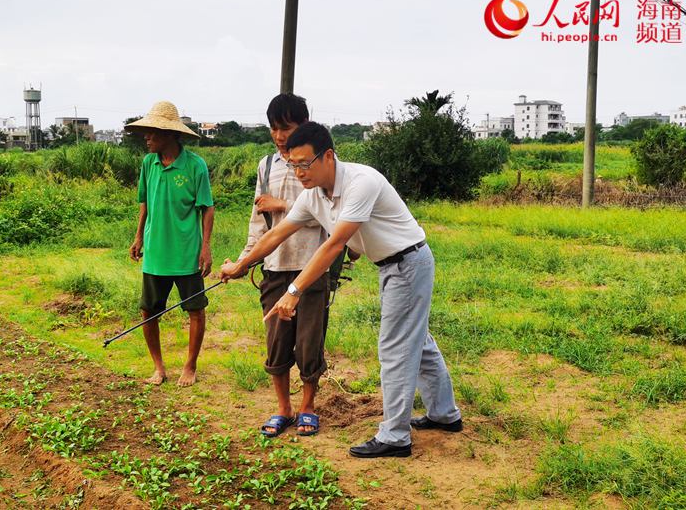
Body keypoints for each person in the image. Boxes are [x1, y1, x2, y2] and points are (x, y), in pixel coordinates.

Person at [220, 121, 462, 458]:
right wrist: (242, 264)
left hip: (407, 263)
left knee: (395, 348)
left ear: (328, 156)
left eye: (305, 163)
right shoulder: (313, 197)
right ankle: (444, 414)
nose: (299, 172)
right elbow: (276, 234)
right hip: (394, 264)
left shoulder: (360, 182)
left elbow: (335, 245)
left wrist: (294, 290)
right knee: (417, 341)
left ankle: (395, 436)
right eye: (293, 165)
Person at [222, 93, 329, 437]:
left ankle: (307, 406)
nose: (280, 135)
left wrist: (280, 204)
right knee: (277, 341)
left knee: (310, 340)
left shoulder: (316, 164)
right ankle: (284, 408)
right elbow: (258, 221)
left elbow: (326, 215)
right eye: (274, 128)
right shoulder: (266, 166)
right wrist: (246, 259)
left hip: (312, 266)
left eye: (287, 127)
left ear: (304, 127)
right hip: (275, 265)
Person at [126, 100, 214, 387]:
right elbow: (144, 203)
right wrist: (139, 236)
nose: (147, 138)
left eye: (152, 133)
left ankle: (190, 366)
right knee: (148, 310)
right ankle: (159, 367)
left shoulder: (195, 166)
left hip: (187, 253)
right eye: (147, 133)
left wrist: (206, 247)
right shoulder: (148, 164)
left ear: (169, 134)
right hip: (155, 251)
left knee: (195, 310)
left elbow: (207, 208)